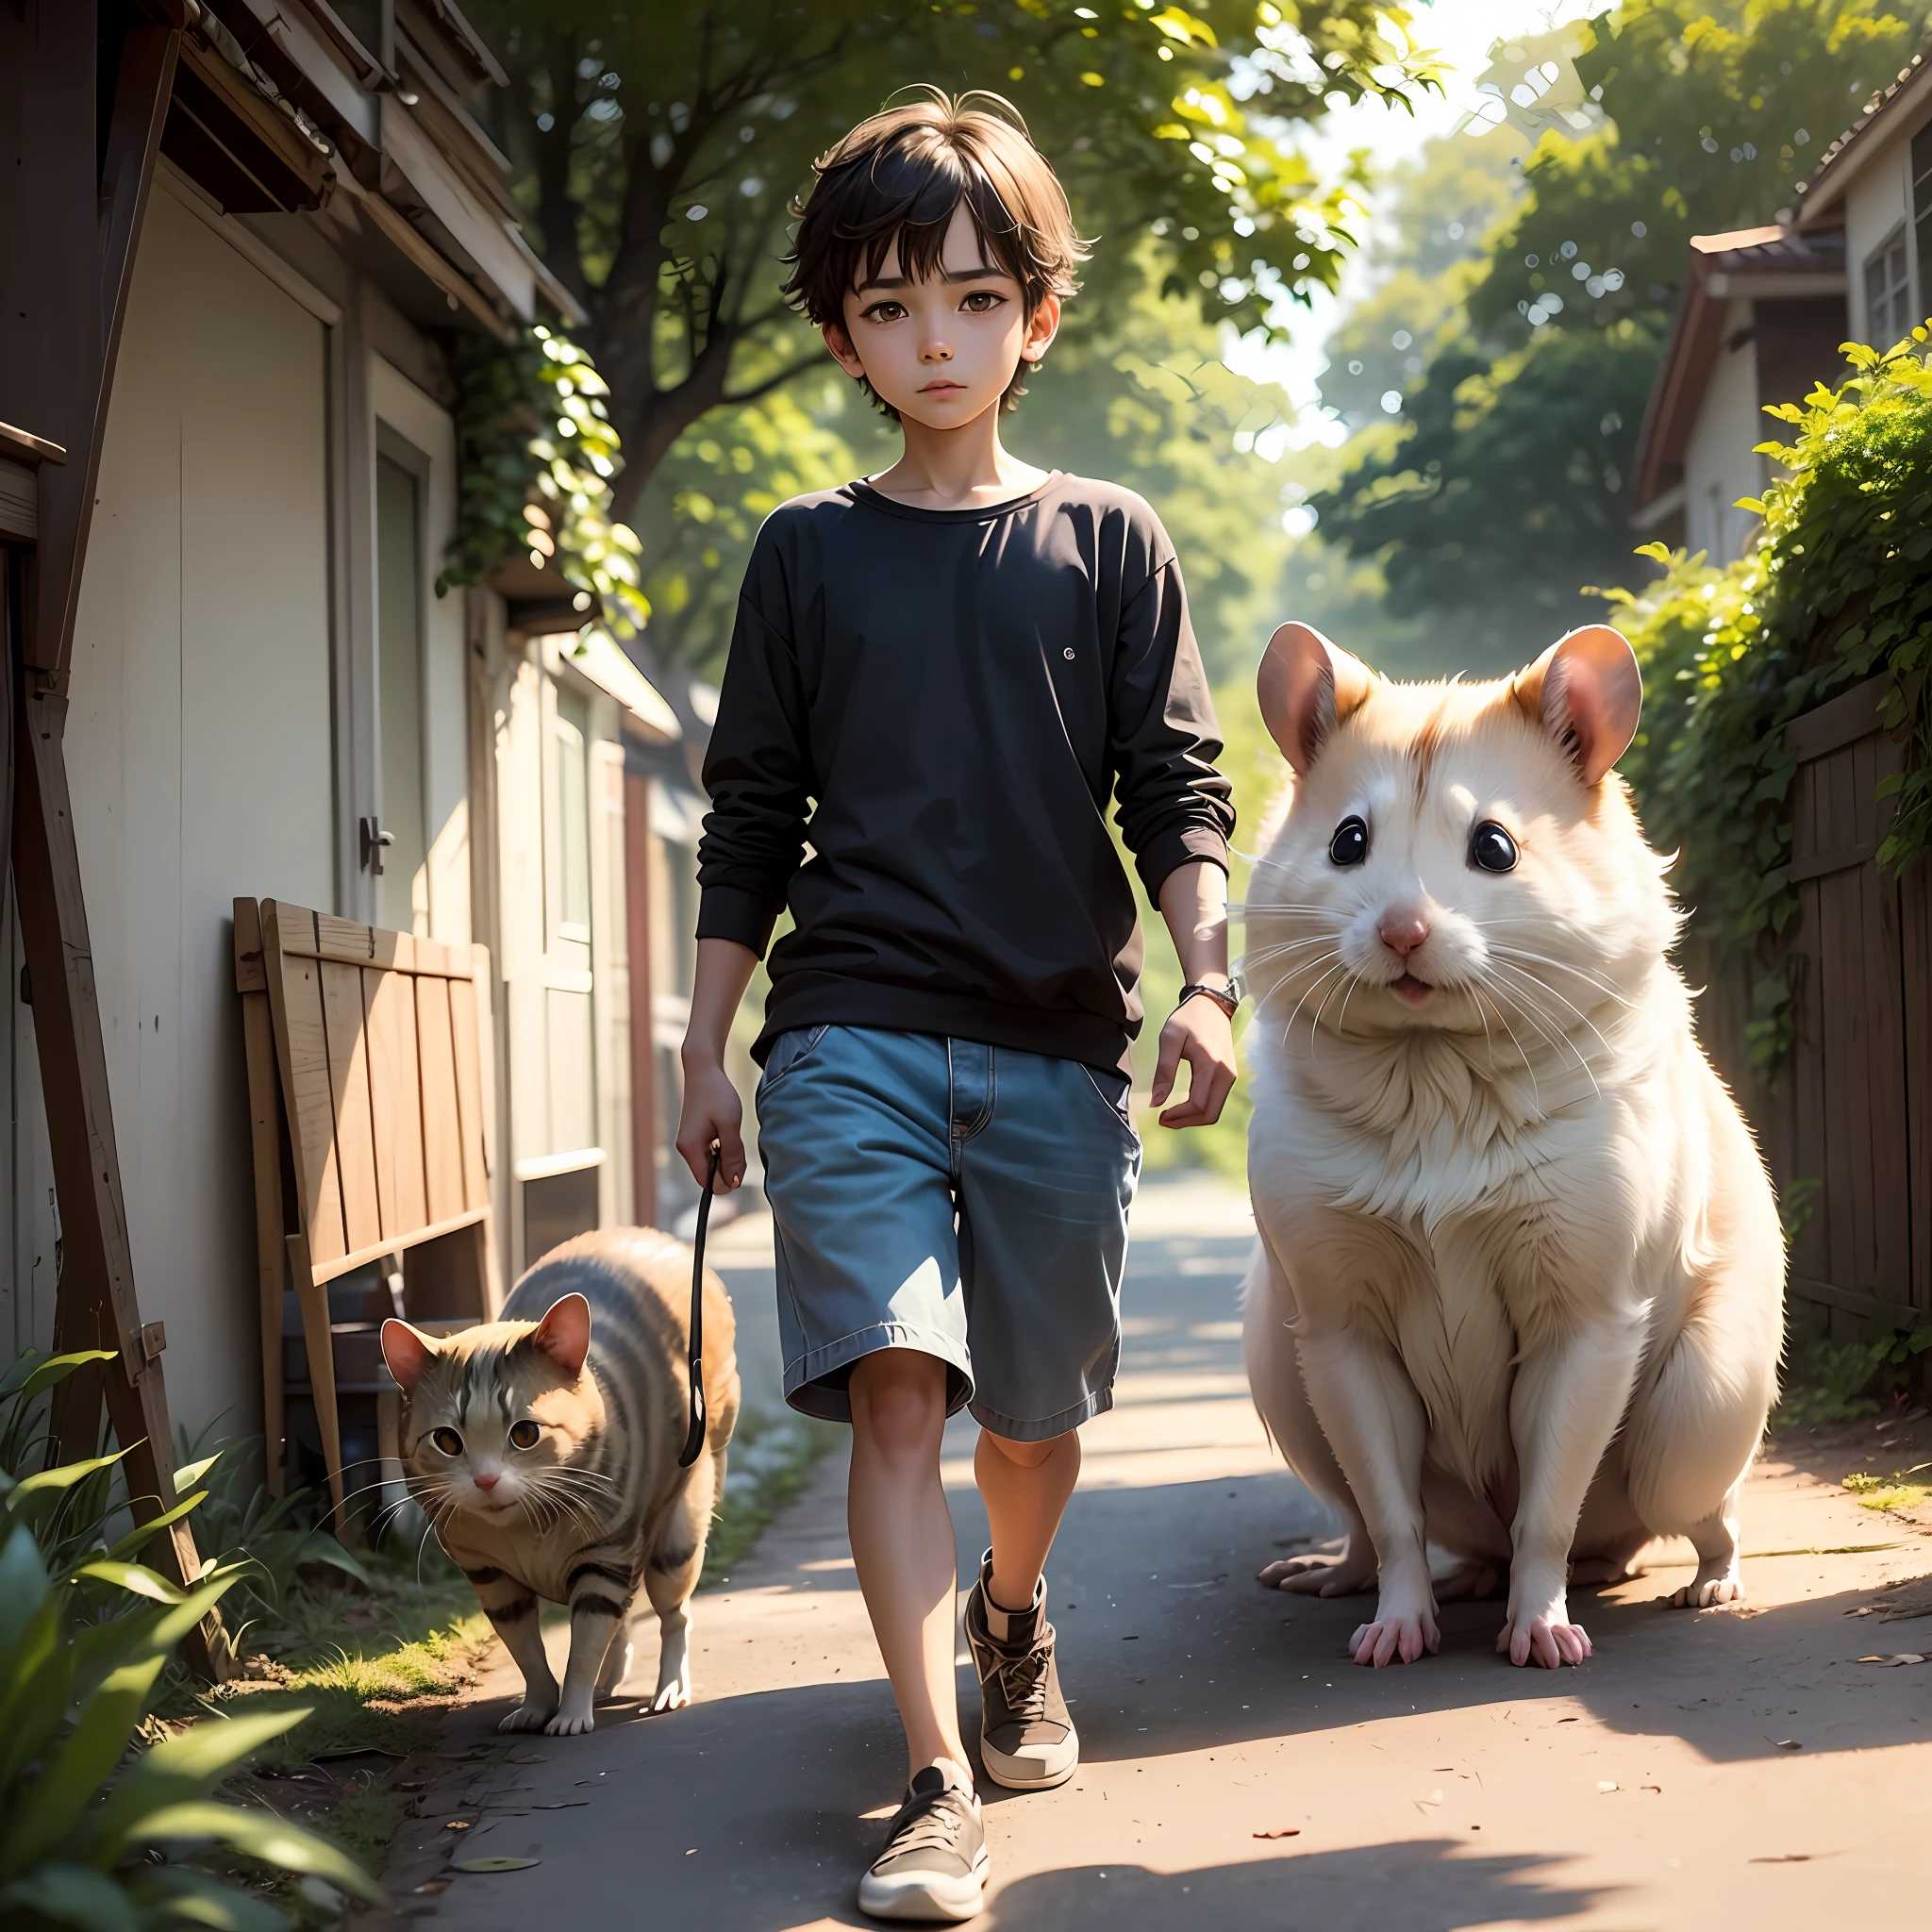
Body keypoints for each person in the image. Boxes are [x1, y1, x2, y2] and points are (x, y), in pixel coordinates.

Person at [675, 89, 1240, 1924]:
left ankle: (1012, 1613)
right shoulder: (804, 556)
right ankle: (933, 1782)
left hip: (1057, 1041)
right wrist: (703, 1041)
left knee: (1035, 1423)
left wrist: (1206, 976)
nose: (939, 338)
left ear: (1037, 316)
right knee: (902, 1396)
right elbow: (751, 817)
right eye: (898, 304)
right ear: (843, 331)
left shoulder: (1108, 542)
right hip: (845, 1031)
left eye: (978, 299)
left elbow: (1175, 787)